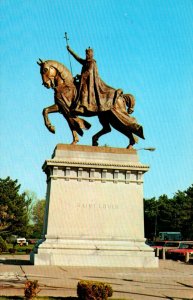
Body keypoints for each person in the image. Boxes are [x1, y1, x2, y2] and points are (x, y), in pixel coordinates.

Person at [67, 45, 123, 113]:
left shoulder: (92, 62)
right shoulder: (85, 62)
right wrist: (70, 50)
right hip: (85, 80)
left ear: (91, 54)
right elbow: (78, 58)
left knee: (84, 91)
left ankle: (82, 107)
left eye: (88, 54)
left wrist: (80, 76)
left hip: (90, 82)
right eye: (86, 54)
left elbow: (89, 71)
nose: (87, 55)